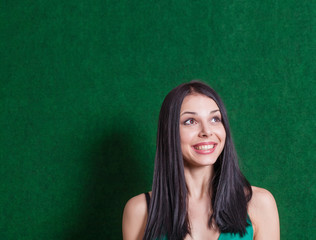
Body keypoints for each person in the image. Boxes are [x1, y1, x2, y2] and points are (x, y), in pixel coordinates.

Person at [122, 81, 279, 240]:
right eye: (190, 121)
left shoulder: (259, 203)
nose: (207, 131)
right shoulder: (139, 211)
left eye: (215, 119)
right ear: (169, 132)